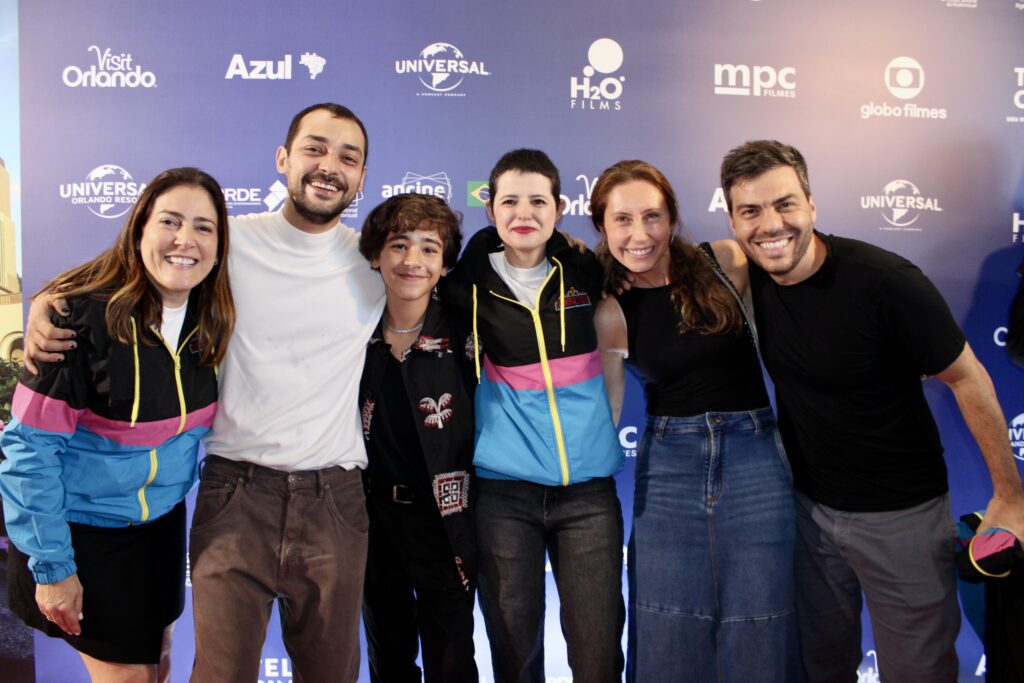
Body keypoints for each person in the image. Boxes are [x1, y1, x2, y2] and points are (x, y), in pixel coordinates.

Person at [24, 103, 386, 682]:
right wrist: (48, 301)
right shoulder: (223, 243)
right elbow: (128, 268)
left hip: (335, 497)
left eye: (349, 157)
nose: (329, 166)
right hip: (235, 491)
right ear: (283, 159)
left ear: (362, 176)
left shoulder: (375, 262)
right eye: (314, 149)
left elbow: (446, 275)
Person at [719, 139, 1024, 682]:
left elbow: (969, 379)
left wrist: (1009, 493)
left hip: (902, 520)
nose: (771, 225)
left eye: (785, 204)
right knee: (821, 665)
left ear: (811, 205)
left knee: (919, 671)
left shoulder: (885, 281)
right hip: (810, 515)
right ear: (735, 221)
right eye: (751, 211)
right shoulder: (749, 275)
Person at [0, 167, 233, 683]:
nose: (185, 239)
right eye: (170, 221)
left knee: (160, 665)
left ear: (219, 246)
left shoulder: (213, 321)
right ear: (139, 230)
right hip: (81, 536)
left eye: (204, 227)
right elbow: (27, 453)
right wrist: (52, 566)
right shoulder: (78, 321)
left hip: (160, 531)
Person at [590, 160, 801, 682]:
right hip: (669, 465)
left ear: (673, 218)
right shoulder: (609, 306)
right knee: (666, 625)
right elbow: (608, 406)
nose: (639, 234)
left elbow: (796, 301)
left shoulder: (725, 262)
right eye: (622, 220)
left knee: (763, 620)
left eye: (652, 216)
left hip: (755, 457)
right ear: (601, 226)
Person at [441, 149, 625, 683]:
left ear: (559, 208)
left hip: (588, 495)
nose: (525, 212)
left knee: (597, 657)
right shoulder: (465, 288)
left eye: (538, 200)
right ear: (490, 208)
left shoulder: (588, 272)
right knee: (514, 655)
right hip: (504, 495)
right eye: (510, 201)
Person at [356, 193, 478, 683]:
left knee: (452, 659)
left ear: (446, 263)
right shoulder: (351, 333)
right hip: (371, 520)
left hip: (447, 520)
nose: (412, 261)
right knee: (388, 656)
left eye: (430, 248)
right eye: (399, 245)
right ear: (374, 256)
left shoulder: (469, 332)